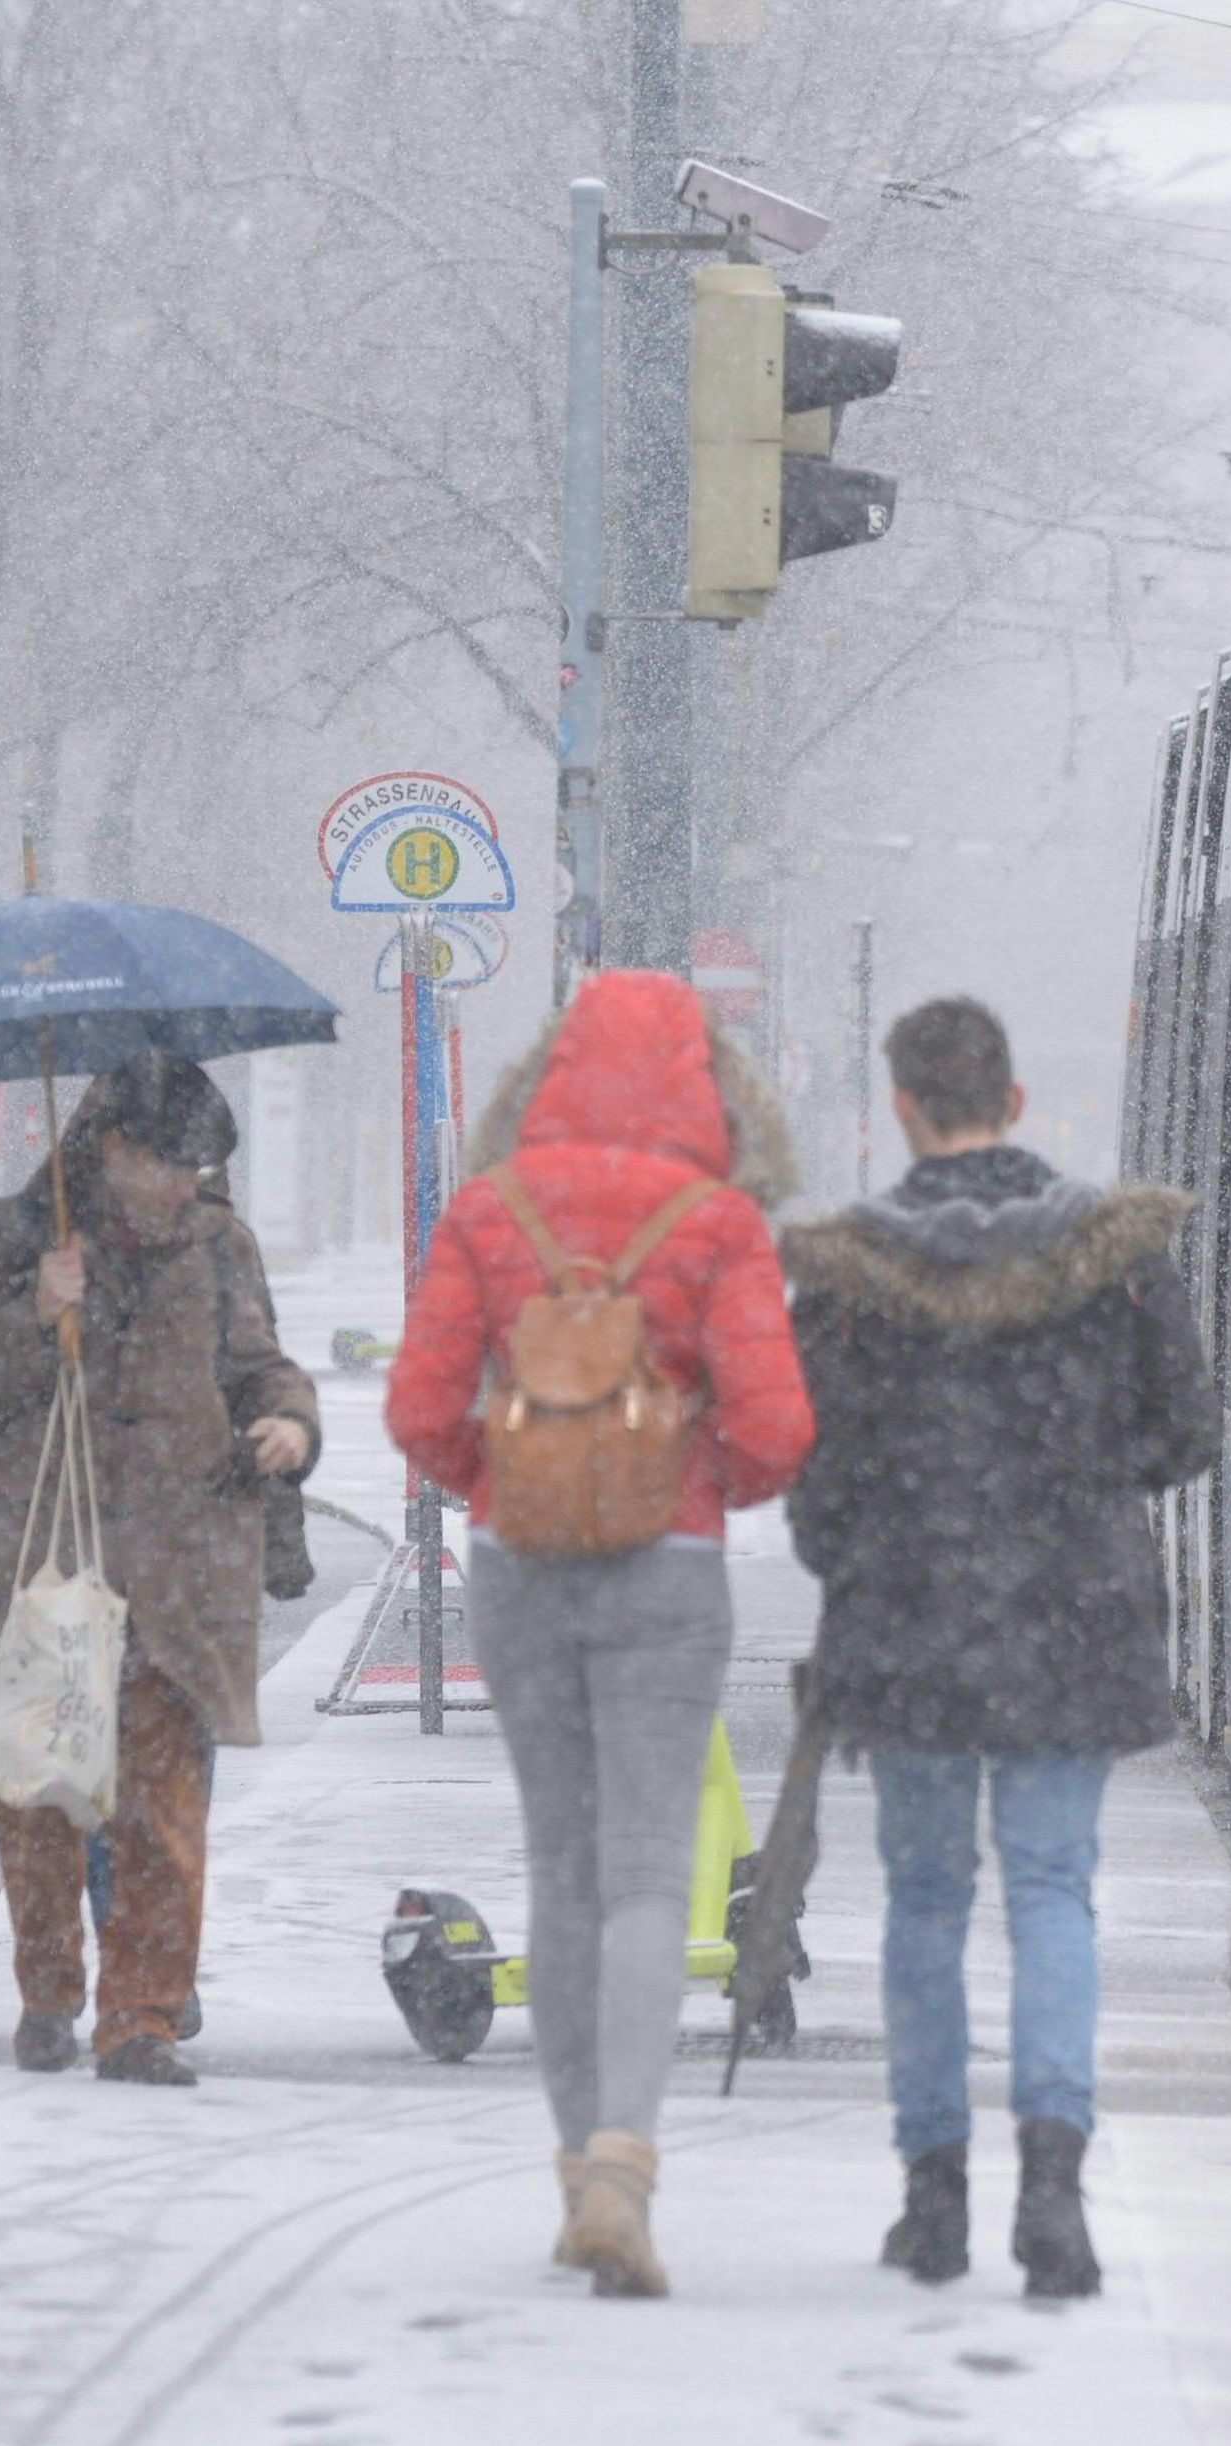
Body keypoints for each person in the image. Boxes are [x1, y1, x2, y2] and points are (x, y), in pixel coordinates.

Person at [781, 997, 1218, 2300]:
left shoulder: (853, 1277)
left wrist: (887, 1546)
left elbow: (817, 1484)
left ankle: (933, 2197)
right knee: (1052, 1889)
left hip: (910, 1624)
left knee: (925, 1902)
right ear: (1015, 1102)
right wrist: (1078, 1490)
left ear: (906, 1107)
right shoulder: (1120, 1256)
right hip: (1068, 1617)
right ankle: (1054, 2188)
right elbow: (1187, 1432)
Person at [385, 971, 811, 2299]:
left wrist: (501, 1481)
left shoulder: (488, 1209)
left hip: (519, 1569)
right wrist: (698, 1483)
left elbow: (417, 1408)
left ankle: (576, 2162)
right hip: (666, 1573)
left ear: (549, 1075)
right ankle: (626, 2163)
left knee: (557, 1870)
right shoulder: (719, 1219)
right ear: (706, 1085)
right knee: (644, 1872)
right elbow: (778, 1426)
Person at [0, 1054, 318, 2086]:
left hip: (180, 1560)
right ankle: (50, 1989)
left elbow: (259, 1365)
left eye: (200, 1163)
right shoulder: (19, 1238)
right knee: (42, 1793)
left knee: (163, 1803)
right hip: (46, 1551)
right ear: (114, 1149)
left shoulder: (220, 1245)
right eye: (171, 1161)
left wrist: (288, 1418)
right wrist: (36, 1309)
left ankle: (141, 2016)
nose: (187, 1181)